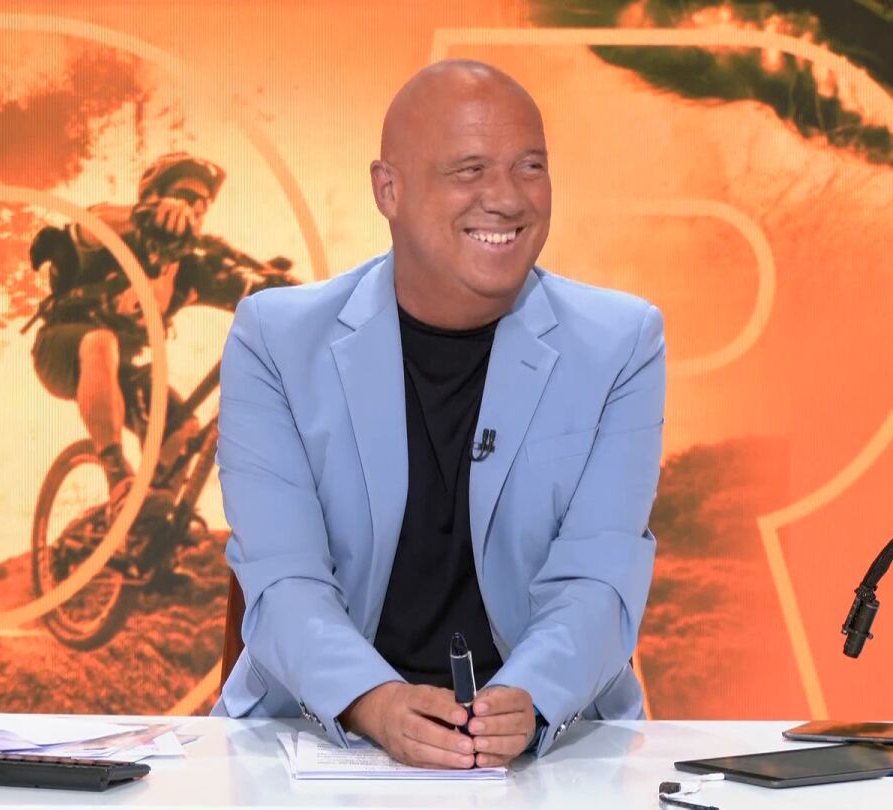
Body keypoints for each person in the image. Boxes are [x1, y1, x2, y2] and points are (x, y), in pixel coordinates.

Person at [213, 59, 666, 769]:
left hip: (547, 747)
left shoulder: (620, 344)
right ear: (387, 190)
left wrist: (527, 701)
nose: (507, 198)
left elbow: (599, 579)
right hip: (314, 739)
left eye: (530, 167)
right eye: (469, 170)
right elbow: (283, 579)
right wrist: (375, 702)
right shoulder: (276, 340)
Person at [27, 152, 296, 515]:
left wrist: (288, 295)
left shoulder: (191, 269)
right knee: (101, 340)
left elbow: (250, 294)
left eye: (203, 204)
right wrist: (144, 216)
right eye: (186, 195)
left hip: (118, 370)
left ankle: (152, 525)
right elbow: (90, 225)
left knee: (182, 427)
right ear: (154, 194)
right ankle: (118, 477)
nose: (195, 208)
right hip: (61, 349)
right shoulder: (116, 233)